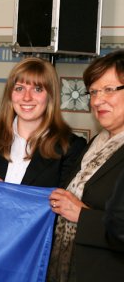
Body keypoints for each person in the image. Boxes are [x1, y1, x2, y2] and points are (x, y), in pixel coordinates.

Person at [47, 50, 124, 281]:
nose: (97, 100)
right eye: (93, 91)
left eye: (109, 90)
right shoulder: (95, 144)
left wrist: (82, 216)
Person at [0, 57, 86, 187]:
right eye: (19, 88)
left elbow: (61, 204)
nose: (27, 97)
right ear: (10, 94)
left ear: (50, 96)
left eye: (37, 89)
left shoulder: (71, 147)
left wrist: (6, 195)